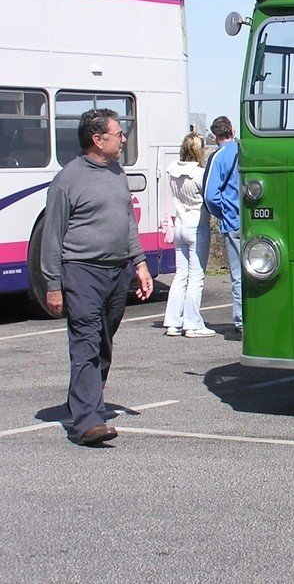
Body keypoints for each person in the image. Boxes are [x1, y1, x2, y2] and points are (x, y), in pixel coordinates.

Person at [41, 109, 153, 446]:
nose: (123, 139)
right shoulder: (67, 180)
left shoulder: (117, 173)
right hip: (82, 272)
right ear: (97, 139)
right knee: (86, 343)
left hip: (118, 273)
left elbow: (127, 223)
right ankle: (87, 421)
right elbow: (52, 236)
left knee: (103, 343)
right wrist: (53, 285)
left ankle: (86, 398)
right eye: (118, 134)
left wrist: (141, 263)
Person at [162, 132, 215, 338]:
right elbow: (209, 198)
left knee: (180, 275)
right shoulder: (200, 173)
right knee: (196, 276)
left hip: (179, 225)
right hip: (197, 225)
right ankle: (192, 323)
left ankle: (173, 322)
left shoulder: (173, 170)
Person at [203, 115, 241, 333]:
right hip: (251, 219)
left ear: (214, 135)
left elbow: (210, 195)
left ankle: (241, 321)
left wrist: (222, 212)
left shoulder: (218, 157)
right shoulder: (243, 151)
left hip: (232, 220)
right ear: (232, 131)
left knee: (237, 276)